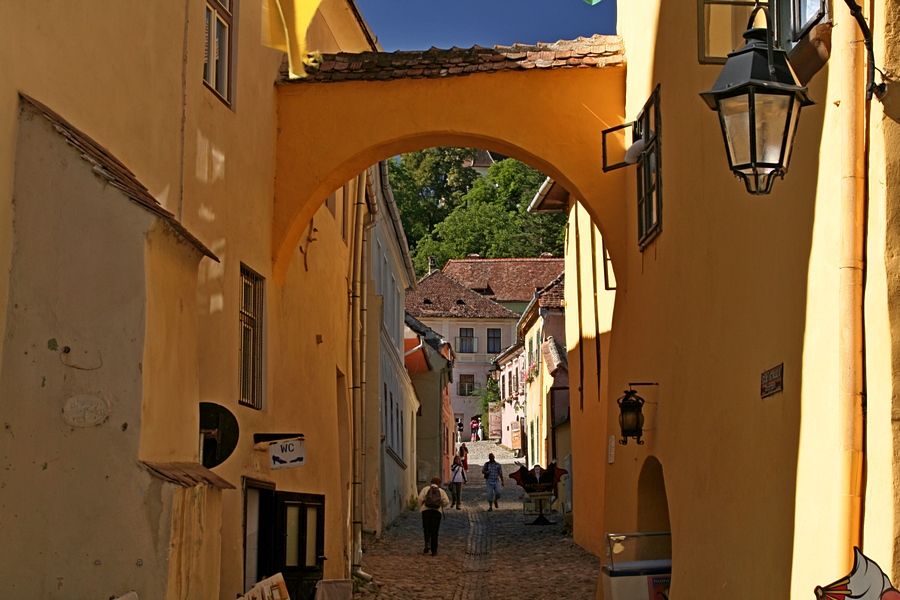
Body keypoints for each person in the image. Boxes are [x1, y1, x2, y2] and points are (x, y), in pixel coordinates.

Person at [418, 476, 450, 556]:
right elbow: (446, 501)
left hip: (426, 511)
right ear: (439, 484)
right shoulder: (441, 491)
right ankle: (434, 550)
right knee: (435, 531)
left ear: (431, 482)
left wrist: (421, 506)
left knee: (426, 528)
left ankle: (427, 543)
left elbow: (420, 498)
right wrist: (441, 506)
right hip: (437, 511)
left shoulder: (426, 489)